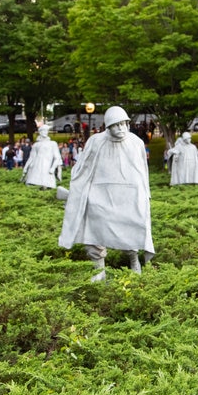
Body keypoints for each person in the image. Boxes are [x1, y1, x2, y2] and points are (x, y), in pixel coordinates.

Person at [58, 106, 154, 282]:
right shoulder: (95, 141)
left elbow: (143, 171)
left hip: (129, 194)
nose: (120, 129)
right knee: (95, 230)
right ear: (108, 127)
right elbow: (83, 167)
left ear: (127, 123)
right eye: (115, 125)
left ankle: (134, 261)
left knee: (131, 227)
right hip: (101, 194)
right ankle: (99, 269)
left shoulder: (136, 143)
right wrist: (78, 191)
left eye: (123, 124)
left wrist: (145, 192)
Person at [22, 125, 63, 189]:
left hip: (47, 168)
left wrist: (53, 168)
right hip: (36, 168)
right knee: (33, 185)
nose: (45, 132)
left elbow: (57, 157)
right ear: (40, 132)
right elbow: (31, 157)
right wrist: (25, 167)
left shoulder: (52, 143)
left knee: (47, 185)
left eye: (47, 130)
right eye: (44, 130)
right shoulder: (36, 145)